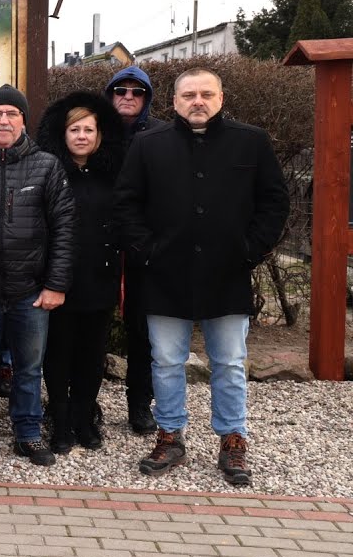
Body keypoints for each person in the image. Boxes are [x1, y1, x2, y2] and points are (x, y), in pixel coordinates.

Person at [114, 68, 288, 487]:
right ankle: (170, 434)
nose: (198, 101)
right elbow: (126, 205)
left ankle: (232, 439)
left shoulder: (251, 142)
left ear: (221, 98)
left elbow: (274, 202)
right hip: (165, 275)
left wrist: (250, 250)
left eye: (206, 94)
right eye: (188, 94)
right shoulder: (147, 144)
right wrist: (148, 251)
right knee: (168, 362)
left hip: (227, 274)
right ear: (173, 102)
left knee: (229, 363)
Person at [0, 85, 75, 467]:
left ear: (24, 120)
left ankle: (29, 432)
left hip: (30, 291)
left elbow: (64, 228)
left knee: (28, 368)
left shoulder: (47, 166)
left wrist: (56, 284)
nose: (4, 120)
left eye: (12, 114)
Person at [35, 93, 124, 453]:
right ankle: (59, 418)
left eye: (89, 129)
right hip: (59, 279)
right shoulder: (50, 172)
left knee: (91, 353)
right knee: (58, 353)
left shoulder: (112, 175)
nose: (82, 136)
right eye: (75, 129)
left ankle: (84, 417)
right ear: (63, 133)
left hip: (99, 276)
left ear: (99, 135)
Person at [104, 66, 167, 435]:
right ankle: (82, 402)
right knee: (88, 326)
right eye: (120, 90)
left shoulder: (161, 135)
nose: (128, 97)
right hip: (100, 242)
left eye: (136, 92)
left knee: (143, 331)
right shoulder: (93, 129)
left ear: (147, 98)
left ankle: (140, 404)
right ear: (109, 94)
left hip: (142, 245)